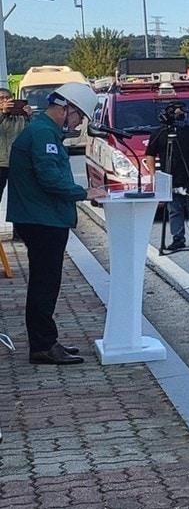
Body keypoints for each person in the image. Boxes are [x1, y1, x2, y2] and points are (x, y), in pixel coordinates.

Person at [8, 83, 106, 365]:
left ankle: (46, 341)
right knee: (44, 284)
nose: (79, 125)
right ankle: (42, 346)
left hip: (42, 217)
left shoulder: (45, 132)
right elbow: (50, 178)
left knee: (46, 283)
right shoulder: (43, 134)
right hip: (42, 220)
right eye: (79, 117)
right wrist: (85, 192)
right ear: (67, 109)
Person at [143, 101, 189, 251]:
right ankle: (177, 239)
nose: (181, 115)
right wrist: (153, 174)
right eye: (178, 112)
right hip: (169, 178)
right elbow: (150, 155)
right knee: (174, 210)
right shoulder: (159, 133)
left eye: (183, 113)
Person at [0, 88, 34, 202]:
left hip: (17, 162)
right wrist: (3, 113)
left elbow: (32, 133)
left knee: (21, 197)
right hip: (1, 163)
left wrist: (29, 117)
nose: (5, 101)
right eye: (1, 98)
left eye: (8, 98)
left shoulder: (20, 117)